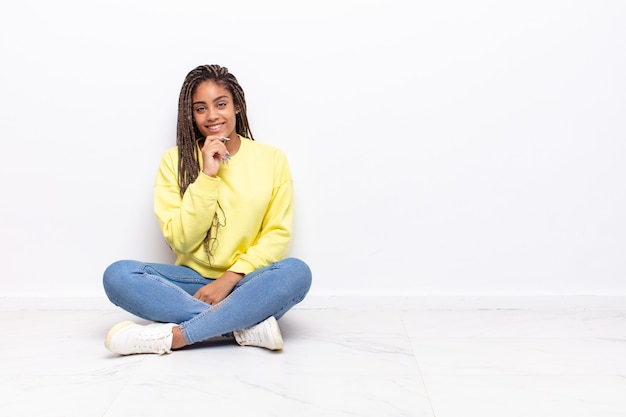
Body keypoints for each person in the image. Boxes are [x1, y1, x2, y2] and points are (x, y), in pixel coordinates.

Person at [102, 64, 312, 355]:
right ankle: (243, 326)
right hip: (191, 284)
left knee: (296, 273)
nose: (212, 116)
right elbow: (181, 240)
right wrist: (207, 176)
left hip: (246, 284)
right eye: (201, 108)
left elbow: (276, 234)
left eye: (221, 104)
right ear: (191, 115)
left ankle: (176, 337)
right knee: (118, 275)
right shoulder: (174, 161)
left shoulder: (272, 159)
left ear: (237, 106)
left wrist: (229, 280)